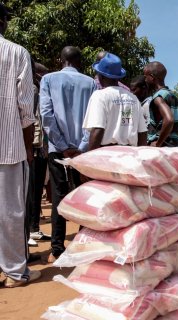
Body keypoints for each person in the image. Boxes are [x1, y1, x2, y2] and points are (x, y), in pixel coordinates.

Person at [40, 46, 96, 263]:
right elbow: (93, 119)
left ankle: (57, 249)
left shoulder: (48, 80)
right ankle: (83, 246)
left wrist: (62, 145)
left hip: (58, 149)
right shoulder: (90, 83)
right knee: (83, 196)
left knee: (59, 196)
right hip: (83, 151)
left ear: (60, 59)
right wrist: (80, 145)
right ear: (79, 61)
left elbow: (46, 115)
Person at [0, 2, 41, 287]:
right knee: (11, 212)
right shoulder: (16, 53)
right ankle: (14, 272)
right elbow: (26, 108)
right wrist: (28, 147)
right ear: (2, 22)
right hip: (9, 144)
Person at [83, 53, 147, 150]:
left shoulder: (100, 95)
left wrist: (90, 157)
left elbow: (97, 129)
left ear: (101, 76)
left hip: (107, 155)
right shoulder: (133, 98)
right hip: (130, 155)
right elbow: (142, 133)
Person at [27, 62, 51, 248]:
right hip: (34, 148)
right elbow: (33, 120)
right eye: (43, 75)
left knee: (36, 190)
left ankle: (34, 227)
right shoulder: (34, 90)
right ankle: (29, 228)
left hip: (40, 147)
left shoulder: (39, 90)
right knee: (31, 190)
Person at [143, 61, 178, 147]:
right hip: (173, 147)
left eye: (145, 77)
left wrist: (158, 143)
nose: (145, 80)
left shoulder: (158, 97)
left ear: (151, 77)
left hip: (160, 148)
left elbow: (169, 120)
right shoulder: (172, 96)